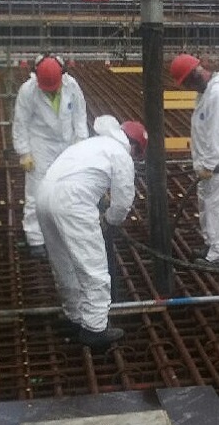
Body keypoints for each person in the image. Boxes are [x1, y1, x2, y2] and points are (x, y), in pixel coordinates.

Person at [35, 115, 148, 349]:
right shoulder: (120, 154)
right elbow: (123, 201)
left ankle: (75, 316)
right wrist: (109, 220)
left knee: (63, 262)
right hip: (72, 203)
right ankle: (95, 328)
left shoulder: (90, 144)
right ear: (134, 146)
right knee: (93, 268)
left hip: (43, 197)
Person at [169, 53, 219, 267]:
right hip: (209, 162)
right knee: (208, 204)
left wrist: (209, 164)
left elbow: (217, 134)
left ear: (196, 74)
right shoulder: (207, 92)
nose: (189, 87)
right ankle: (211, 245)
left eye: (187, 82)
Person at [12, 54, 89, 257]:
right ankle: (35, 237)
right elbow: (20, 123)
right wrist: (24, 152)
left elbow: (80, 114)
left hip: (67, 143)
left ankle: (65, 232)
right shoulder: (28, 91)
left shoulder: (71, 85)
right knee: (36, 191)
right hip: (41, 145)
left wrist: (81, 141)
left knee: (67, 188)